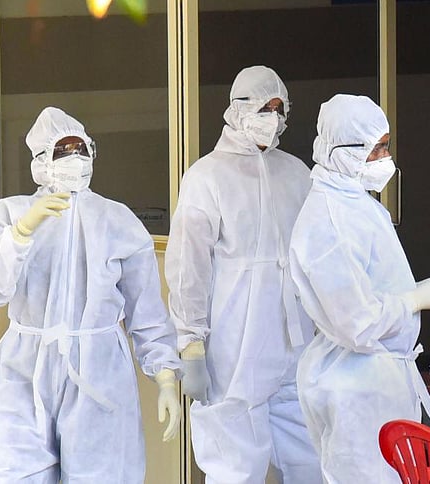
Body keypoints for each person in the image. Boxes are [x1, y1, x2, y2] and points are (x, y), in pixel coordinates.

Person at [0, 106, 181, 483]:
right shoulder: (10, 213)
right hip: (24, 373)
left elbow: (147, 313)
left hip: (98, 375)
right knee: (16, 474)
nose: (75, 158)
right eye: (63, 151)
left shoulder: (118, 222)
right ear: (41, 161)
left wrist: (165, 378)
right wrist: (20, 233)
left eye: (81, 148)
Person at [289, 94, 430, 483]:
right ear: (342, 150)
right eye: (377, 148)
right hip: (355, 388)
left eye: (387, 145)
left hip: (377, 380)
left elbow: (373, 288)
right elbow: (356, 322)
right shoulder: (329, 221)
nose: (386, 157)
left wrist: (422, 292)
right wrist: (416, 298)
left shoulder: (357, 203)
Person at [165, 66, 322, 483]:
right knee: (236, 468)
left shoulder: (296, 173)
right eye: (262, 108)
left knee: (310, 457)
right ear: (236, 110)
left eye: (278, 108)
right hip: (235, 344)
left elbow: (316, 253)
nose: (271, 117)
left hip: (295, 340)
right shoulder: (207, 176)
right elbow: (188, 267)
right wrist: (191, 343)